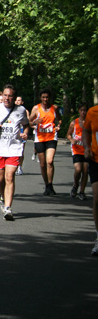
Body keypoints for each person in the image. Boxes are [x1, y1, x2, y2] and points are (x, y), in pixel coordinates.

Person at [0, 85, 29, 221]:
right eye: (5, 95)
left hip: (14, 148)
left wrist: (25, 133)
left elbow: (26, 124)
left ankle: (8, 208)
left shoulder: (21, 110)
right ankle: (3, 198)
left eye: (10, 96)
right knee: (0, 178)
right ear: (2, 95)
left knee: (10, 176)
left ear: (15, 98)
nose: (7, 98)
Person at [29, 89, 62, 195]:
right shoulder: (36, 108)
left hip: (52, 137)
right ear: (40, 98)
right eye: (43, 97)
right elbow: (29, 122)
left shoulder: (54, 108)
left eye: (47, 97)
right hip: (40, 138)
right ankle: (47, 185)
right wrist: (35, 122)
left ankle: (50, 184)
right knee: (43, 164)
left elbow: (59, 119)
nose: (45, 99)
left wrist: (58, 126)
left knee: (50, 161)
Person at [82, 104, 98, 255]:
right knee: (97, 199)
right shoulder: (93, 112)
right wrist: (87, 146)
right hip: (96, 160)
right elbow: (86, 130)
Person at [67, 104, 89, 200]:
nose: (83, 112)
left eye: (85, 110)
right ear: (79, 111)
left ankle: (82, 191)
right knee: (78, 169)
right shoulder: (74, 123)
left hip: (87, 149)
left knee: (85, 170)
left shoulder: (90, 122)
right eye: (81, 110)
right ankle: (76, 185)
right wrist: (71, 140)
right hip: (76, 149)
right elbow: (68, 134)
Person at [14, 96, 30, 175]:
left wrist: (25, 133)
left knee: (21, 150)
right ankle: (14, 166)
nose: (17, 102)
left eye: (19, 100)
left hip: (22, 131)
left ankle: (20, 167)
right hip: (14, 132)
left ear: (22, 102)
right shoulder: (11, 110)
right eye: (16, 100)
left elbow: (27, 123)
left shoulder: (25, 111)